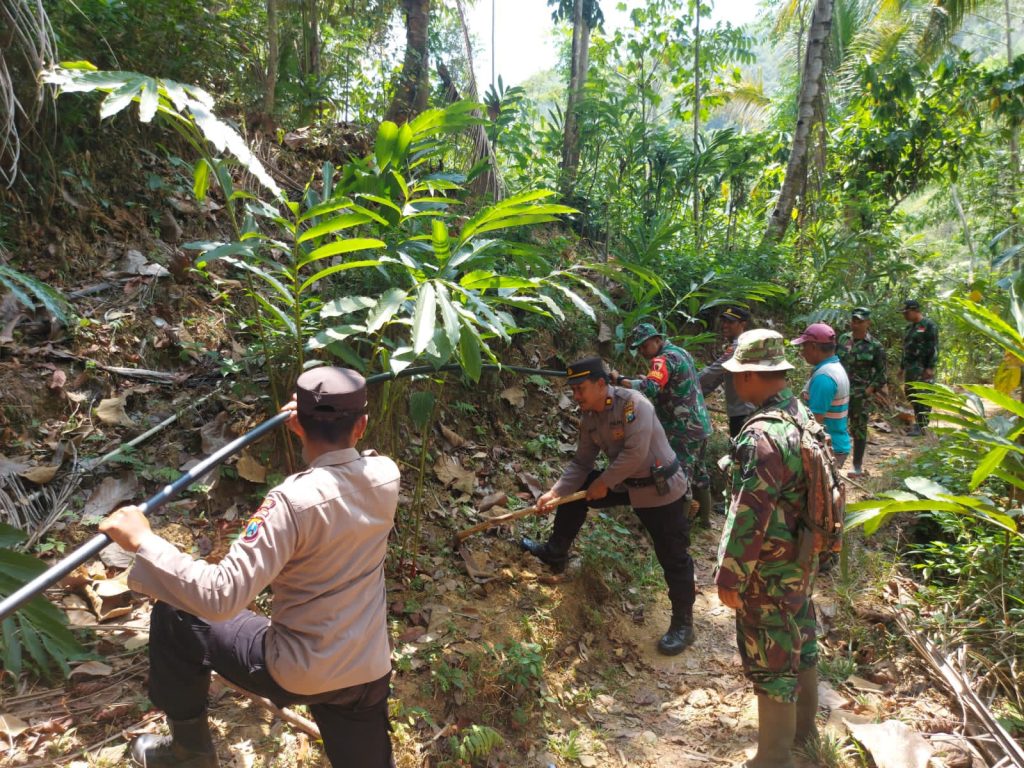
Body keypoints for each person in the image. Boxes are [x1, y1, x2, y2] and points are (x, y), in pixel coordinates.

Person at [100, 367, 400, 768]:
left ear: (299, 422)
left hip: (300, 670)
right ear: (361, 425)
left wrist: (143, 540)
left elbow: (221, 596)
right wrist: (317, 424)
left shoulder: (291, 502)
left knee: (176, 614)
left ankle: (190, 753)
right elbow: (348, 467)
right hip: (367, 666)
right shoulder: (386, 474)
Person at [520, 356, 697, 655]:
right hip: (627, 484)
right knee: (580, 484)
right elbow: (581, 462)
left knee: (673, 556)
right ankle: (555, 551)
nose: (576, 397)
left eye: (581, 389)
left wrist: (603, 483)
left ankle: (684, 624)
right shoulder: (590, 418)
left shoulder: (634, 405)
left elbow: (636, 454)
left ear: (602, 384)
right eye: (572, 391)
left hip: (659, 488)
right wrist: (555, 492)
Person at [715, 329, 819, 768]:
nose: (735, 383)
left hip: (769, 568)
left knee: (772, 657)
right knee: (802, 640)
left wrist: (730, 575)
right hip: (800, 558)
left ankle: (773, 758)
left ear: (755, 376)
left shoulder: (762, 435)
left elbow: (748, 512)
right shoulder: (801, 415)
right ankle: (804, 736)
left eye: (740, 375)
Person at [610, 322, 714, 528]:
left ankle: (678, 529)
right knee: (701, 473)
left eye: (644, 346)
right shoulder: (680, 352)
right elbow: (672, 383)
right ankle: (706, 522)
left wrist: (621, 380)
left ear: (657, 340)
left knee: (680, 478)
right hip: (700, 425)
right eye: (638, 348)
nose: (642, 352)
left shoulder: (663, 360)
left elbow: (650, 388)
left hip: (682, 429)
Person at [791, 323, 851, 468]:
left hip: (827, 448)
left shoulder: (824, 377)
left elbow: (814, 420)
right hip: (836, 443)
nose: (802, 351)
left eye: (804, 346)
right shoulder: (835, 368)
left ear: (813, 347)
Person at [837, 307, 887, 476]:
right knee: (836, 426)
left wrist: (869, 391)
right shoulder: (843, 340)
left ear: (868, 323)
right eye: (854, 321)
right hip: (840, 392)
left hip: (860, 395)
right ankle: (833, 463)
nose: (855, 324)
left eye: (859, 321)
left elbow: (881, 374)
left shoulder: (875, 346)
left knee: (859, 429)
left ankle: (857, 465)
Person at [699, 305, 757, 439]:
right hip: (742, 409)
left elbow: (712, 371)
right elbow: (719, 376)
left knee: (741, 453)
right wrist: (699, 392)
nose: (725, 325)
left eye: (730, 322)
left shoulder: (739, 347)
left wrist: (687, 382)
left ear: (743, 324)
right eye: (724, 321)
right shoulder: (745, 344)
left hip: (744, 411)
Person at [900, 299, 939, 436]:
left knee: (923, 395)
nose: (904, 316)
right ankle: (918, 422)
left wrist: (930, 367)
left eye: (907, 312)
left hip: (923, 368)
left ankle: (922, 425)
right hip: (911, 368)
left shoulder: (928, 325)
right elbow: (905, 349)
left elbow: (934, 347)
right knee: (912, 395)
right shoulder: (909, 328)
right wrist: (902, 367)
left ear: (915, 310)